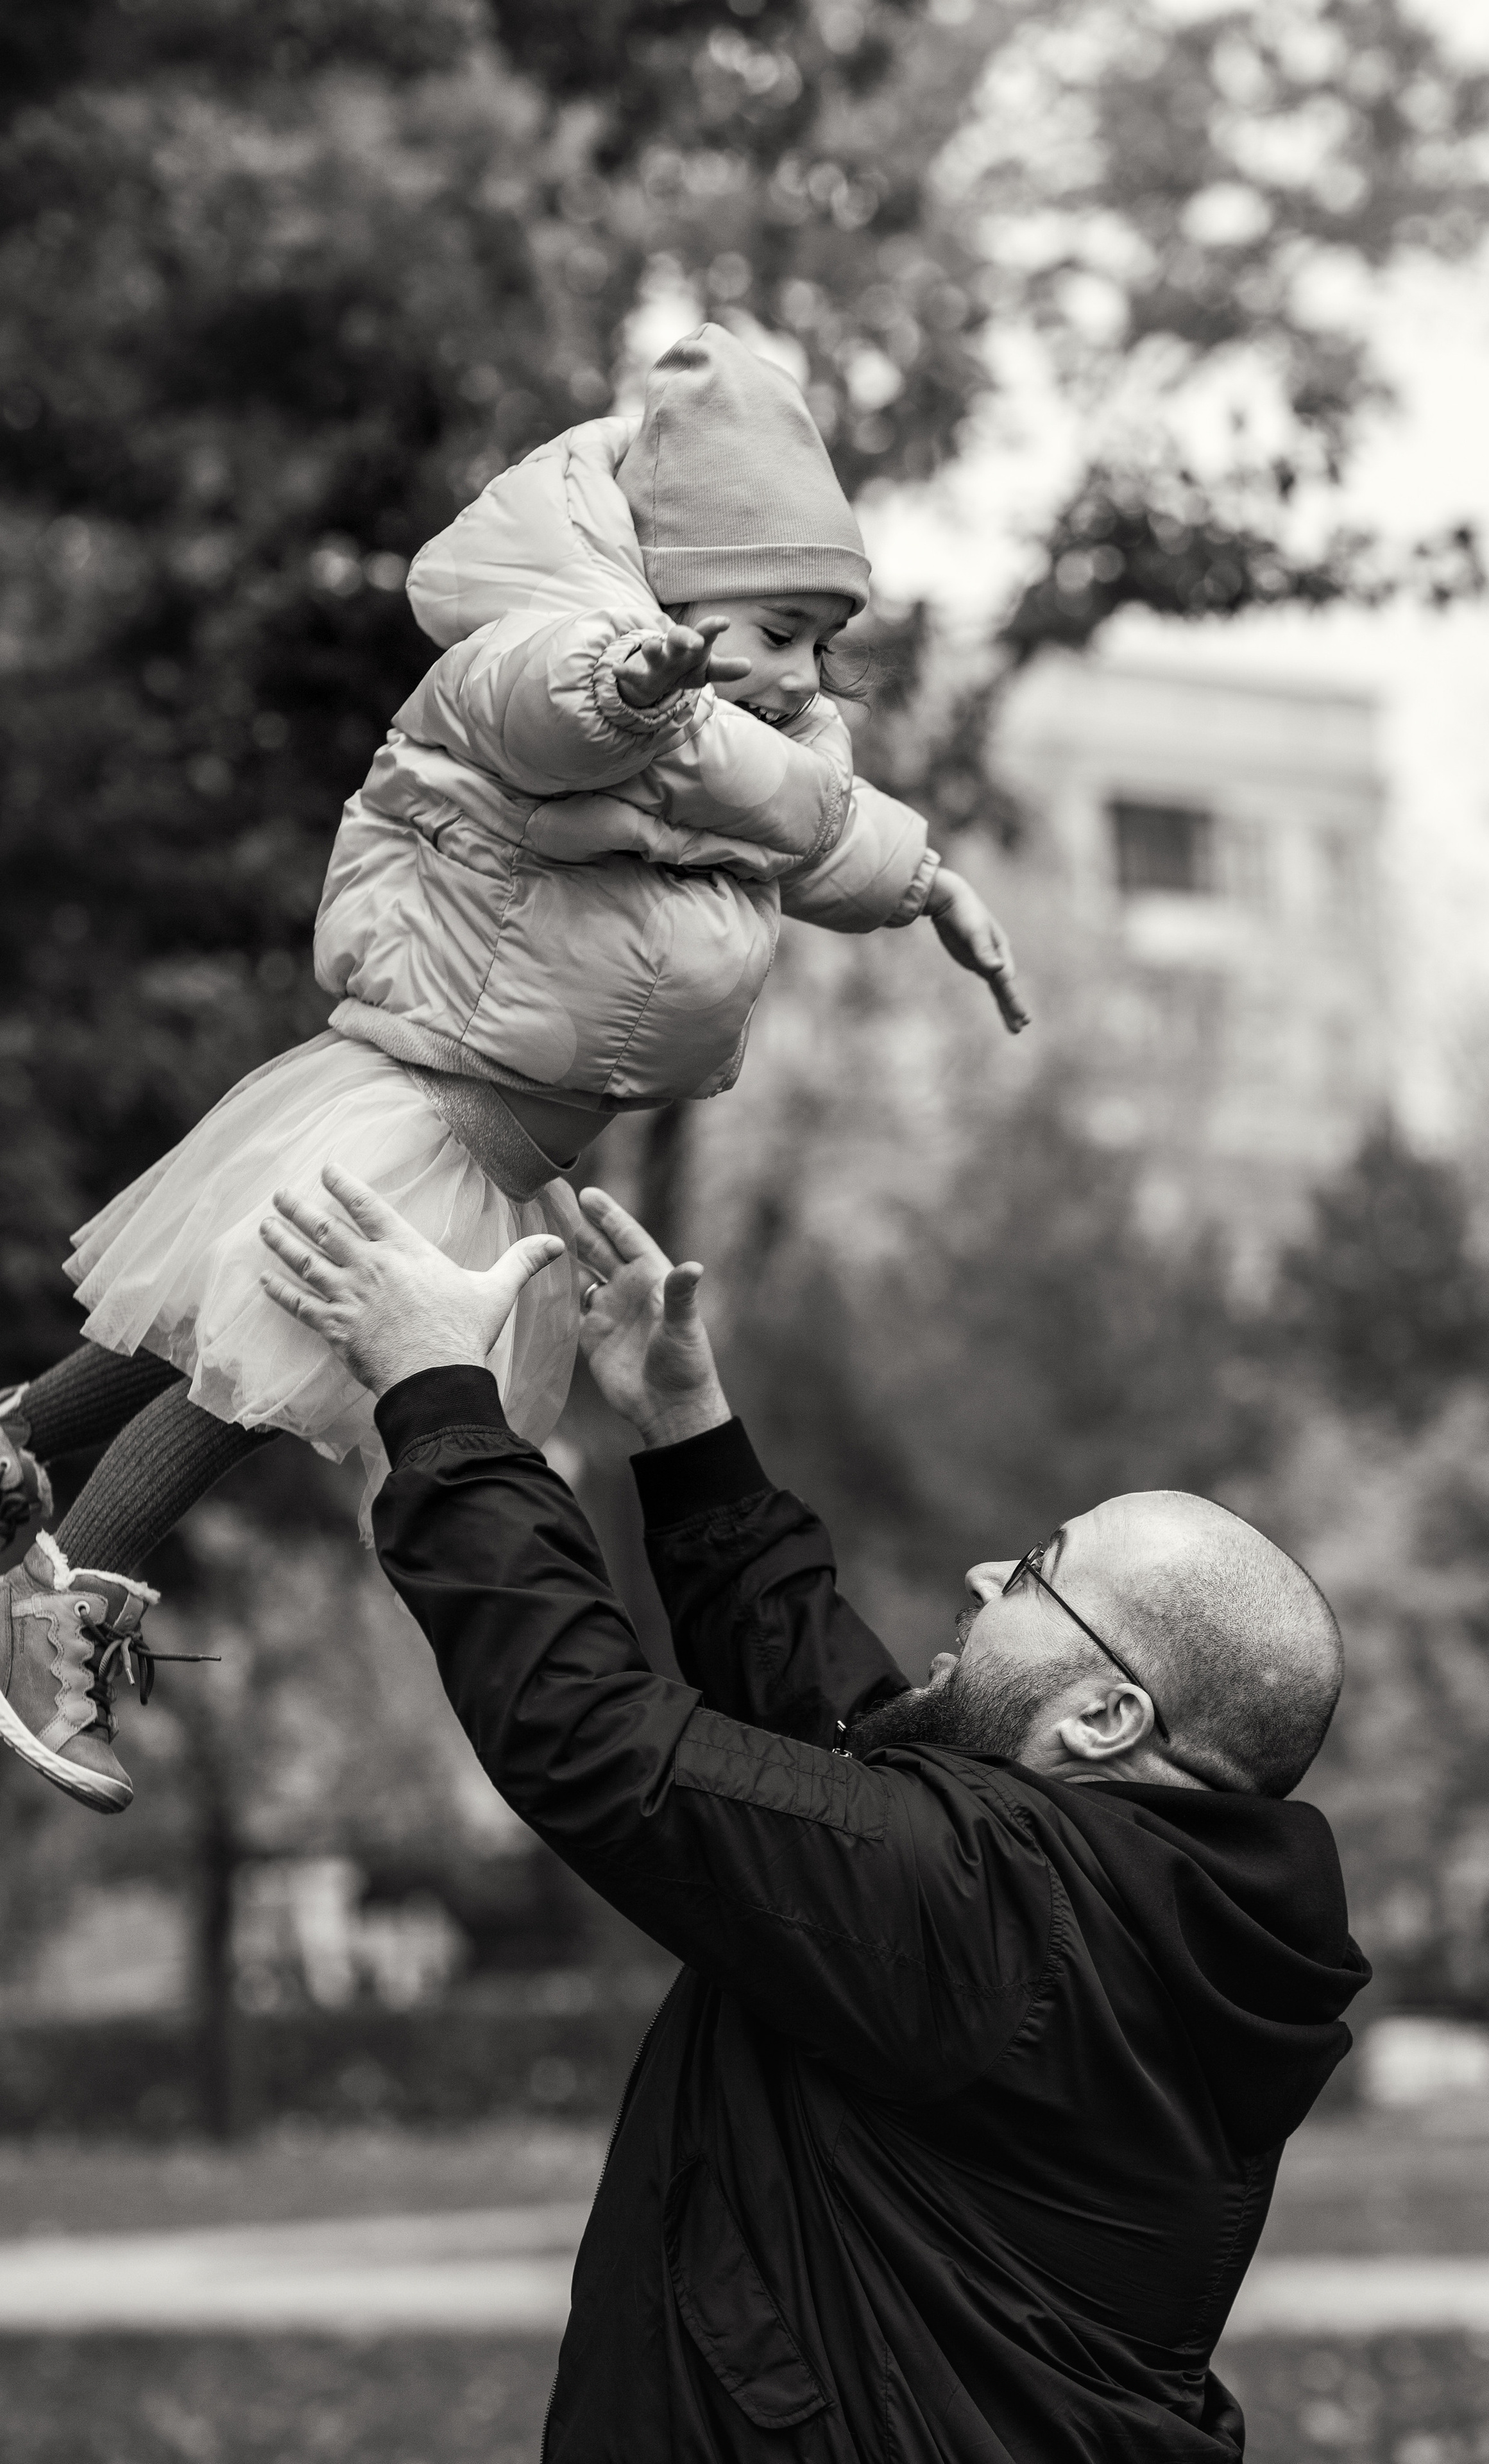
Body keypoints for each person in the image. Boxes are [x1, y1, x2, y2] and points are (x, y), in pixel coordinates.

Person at [0, 323, 1025, 1817]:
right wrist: (628, 676)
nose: (803, 676)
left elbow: (815, 824)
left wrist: (929, 885)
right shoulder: (555, 665)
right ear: (665, 586)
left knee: (195, 1330)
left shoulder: (747, 748)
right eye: (778, 627)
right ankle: (59, 1619)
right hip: (425, 1114)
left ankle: (12, 1439)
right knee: (244, 1373)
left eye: (820, 640)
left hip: (476, 1137)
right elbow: (545, 699)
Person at [246, 1162, 1370, 2461]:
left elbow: (599, 1742)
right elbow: (841, 1736)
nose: (984, 1571)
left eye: (1036, 1575)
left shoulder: (991, 1911)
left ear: (1105, 1720)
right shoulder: (1124, 1918)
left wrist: (438, 1397)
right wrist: (688, 1432)